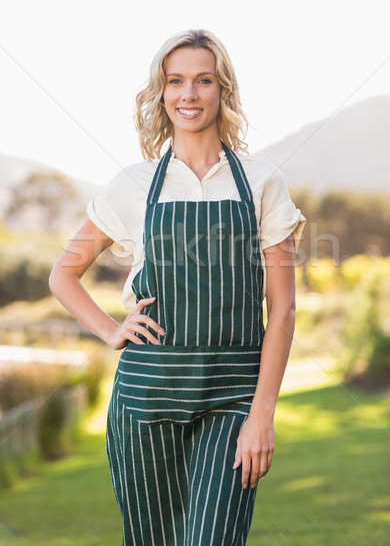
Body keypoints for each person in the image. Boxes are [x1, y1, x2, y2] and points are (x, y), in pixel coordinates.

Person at [49, 28, 306, 546]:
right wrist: (111, 330)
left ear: (223, 90)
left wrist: (263, 415)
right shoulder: (134, 183)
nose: (189, 94)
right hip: (146, 398)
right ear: (162, 93)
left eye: (203, 80)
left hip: (233, 396)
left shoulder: (261, 182)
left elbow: (282, 308)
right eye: (176, 81)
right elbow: (63, 274)